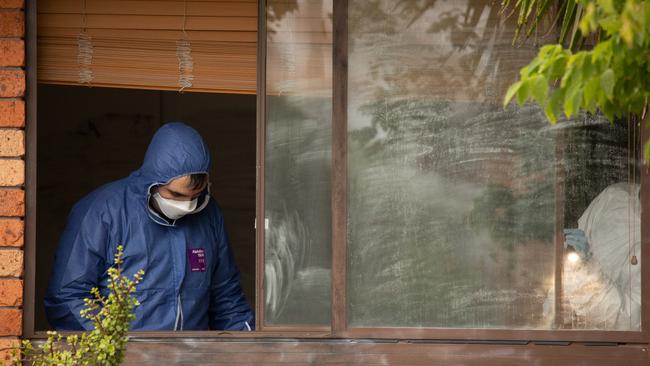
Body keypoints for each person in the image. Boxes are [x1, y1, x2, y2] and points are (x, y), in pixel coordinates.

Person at [45, 122, 254, 331]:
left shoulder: (208, 213)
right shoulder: (102, 211)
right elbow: (67, 299)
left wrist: (251, 348)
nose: (187, 205)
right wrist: (117, 348)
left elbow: (228, 300)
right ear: (152, 181)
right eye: (176, 195)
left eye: (196, 196)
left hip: (191, 357)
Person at [560, 182, 641, 330]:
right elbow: (572, 250)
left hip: (604, 347)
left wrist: (588, 270)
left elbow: (627, 320)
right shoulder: (615, 196)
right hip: (559, 331)